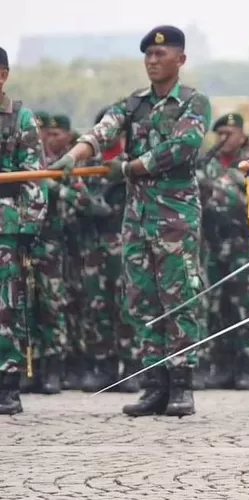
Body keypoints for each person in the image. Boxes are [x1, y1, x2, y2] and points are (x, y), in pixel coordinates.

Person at [49, 25, 211, 417]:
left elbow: (183, 148)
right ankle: (154, 383)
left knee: (178, 296)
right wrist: (76, 154)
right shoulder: (132, 104)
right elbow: (103, 130)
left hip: (175, 218)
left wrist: (130, 167)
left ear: (181, 60)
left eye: (161, 54)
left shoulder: (193, 102)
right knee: (141, 299)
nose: (153, 61)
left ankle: (182, 384)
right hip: (137, 219)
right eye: (148, 56)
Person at [0, 46, 48, 415]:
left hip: (5, 224)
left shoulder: (19, 119)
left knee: (6, 308)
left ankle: (7, 383)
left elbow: (34, 176)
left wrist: (27, 226)